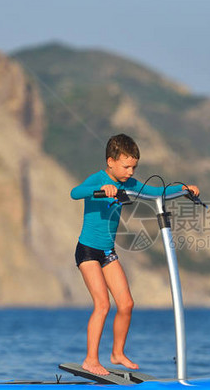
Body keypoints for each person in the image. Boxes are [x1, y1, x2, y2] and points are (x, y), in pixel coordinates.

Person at [70, 134, 199, 376]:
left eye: (134, 167)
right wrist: (101, 189)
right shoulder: (98, 178)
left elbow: (156, 191)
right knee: (102, 304)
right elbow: (75, 193)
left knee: (127, 303)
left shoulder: (129, 184)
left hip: (108, 252)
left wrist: (183, 189)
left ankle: (117, 353)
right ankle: (90, 360)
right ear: (111, 161)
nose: (130, 172)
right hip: (87, 250)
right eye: (126, 166)